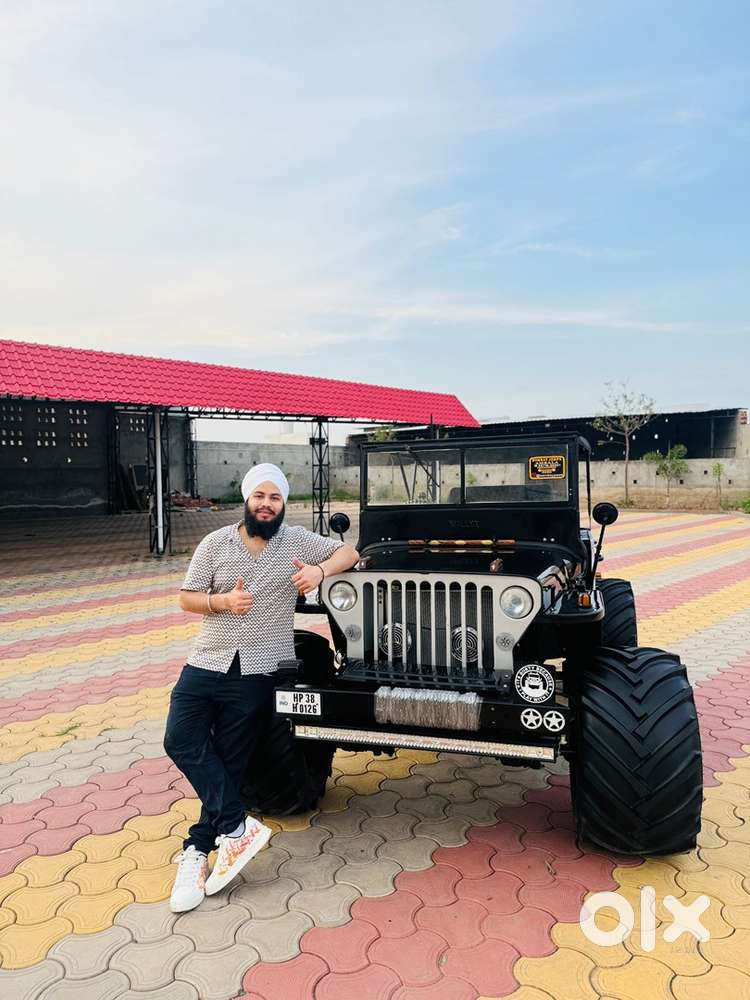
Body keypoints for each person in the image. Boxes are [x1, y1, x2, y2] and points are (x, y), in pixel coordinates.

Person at [164, 462, 359, 912]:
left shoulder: (296, 540)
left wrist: (319, 572)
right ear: (247, 500)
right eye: (259, 496)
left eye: (274, 498)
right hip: (207, 661)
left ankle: (199, 848)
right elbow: (186, 597)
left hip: (257, 669)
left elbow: (349, 553)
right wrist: (222, 601)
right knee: (179, 739)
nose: (266, 505)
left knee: (230, 760)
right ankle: (237, 827)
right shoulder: (215, 544)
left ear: (283, 504)